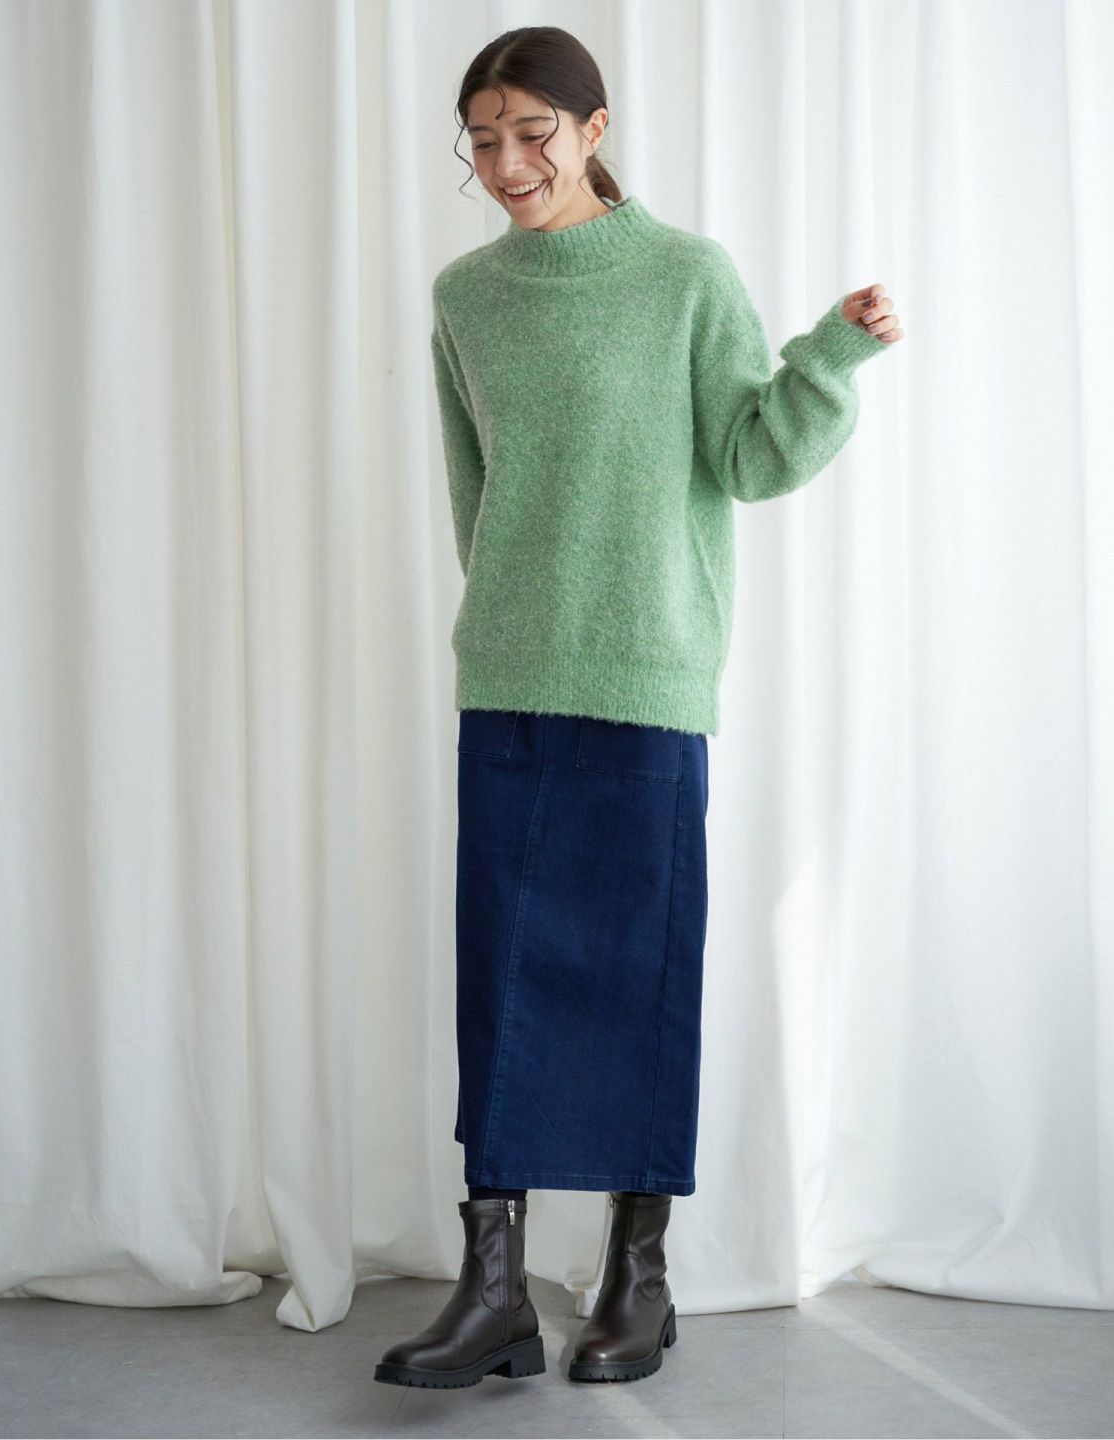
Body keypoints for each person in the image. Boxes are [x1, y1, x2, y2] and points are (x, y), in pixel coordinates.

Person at [374, 23, 903, 1393]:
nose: (506, 163)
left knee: (637, 974)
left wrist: (829, 359)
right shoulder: (465, 297)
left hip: (649, 679)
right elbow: (475, 495)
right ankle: (494, 1289)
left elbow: (751, 455)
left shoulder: (685, 279)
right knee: (501, 979)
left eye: (531, 133)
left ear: (593, 129)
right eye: (482, 141)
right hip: (510, 673)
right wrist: (511, 613)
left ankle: (637, 1279)